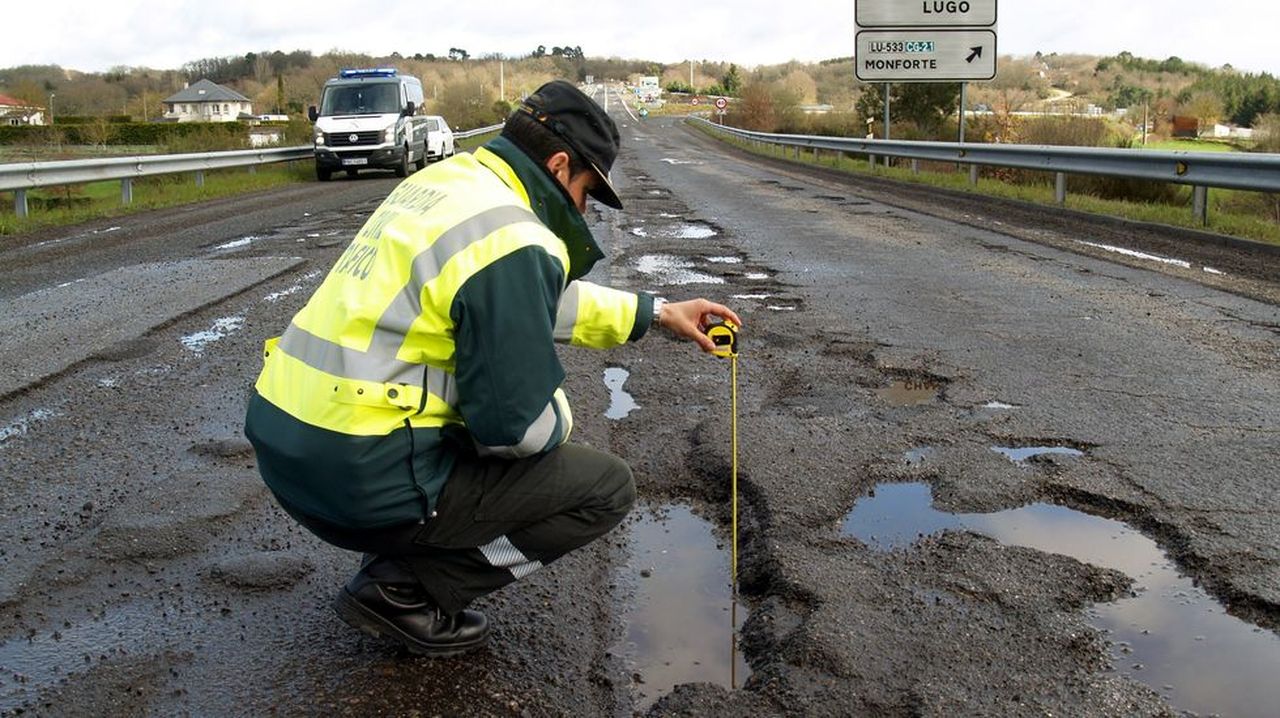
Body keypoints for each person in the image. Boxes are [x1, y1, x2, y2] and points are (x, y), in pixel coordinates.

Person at [244, 80, 741, 657]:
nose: (583, 212)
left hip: (289, 452)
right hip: (357, 478)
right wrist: (555, 416)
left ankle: (405, 544)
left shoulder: (444, 186)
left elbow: (526, 297)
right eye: (585, 194)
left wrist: (656, 312)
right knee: (600, 488)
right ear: (559, 165)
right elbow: (518, 430)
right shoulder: (512, 235)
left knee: (468, 429)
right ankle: (409, 588)